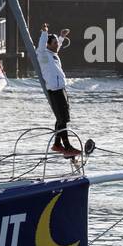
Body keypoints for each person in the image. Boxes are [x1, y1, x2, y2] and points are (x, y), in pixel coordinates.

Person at [38, 24, 79, 157]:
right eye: (54, 43)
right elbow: (41, 46)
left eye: (57, 43)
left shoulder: (53, 54)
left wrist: (61, 37)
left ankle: (57, 144)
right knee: (62, 119)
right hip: (55, 91)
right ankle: (67, 146)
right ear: (48, 45)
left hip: (61, 89)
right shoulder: (43, 55)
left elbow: (57, 47)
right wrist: (44, 33)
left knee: (61, 118)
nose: (57, 45)